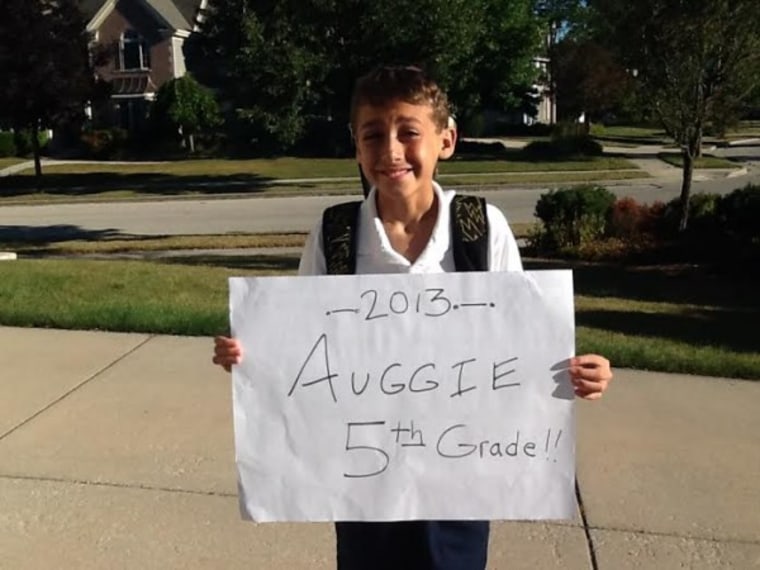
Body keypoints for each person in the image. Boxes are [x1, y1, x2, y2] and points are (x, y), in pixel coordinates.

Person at [213, 65, 613, 570]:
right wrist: (250, 355)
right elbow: (302, 346)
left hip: (460, 475)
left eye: (409, 132)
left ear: (446, 140)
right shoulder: (337, 233)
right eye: (373, 135)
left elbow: (520, 345)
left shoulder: (480, 229)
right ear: (356, 147)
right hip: (361, 475)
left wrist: (578, 372)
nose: (391, 152)